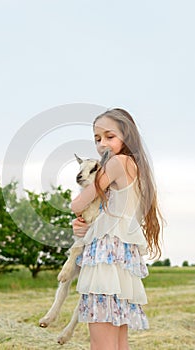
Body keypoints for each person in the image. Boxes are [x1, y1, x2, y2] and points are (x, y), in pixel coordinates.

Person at [70, 108, 163, 350]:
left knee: (101, 342)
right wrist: (82, 225)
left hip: (106, 255)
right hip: (122, 257)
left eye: (109, 136)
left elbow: (78, 203)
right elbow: (103, 211)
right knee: (119, 342)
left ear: (127, 136)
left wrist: (78, 213)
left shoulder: (117, 163)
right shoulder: (134, 165)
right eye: (97, 139)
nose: (102, 144)